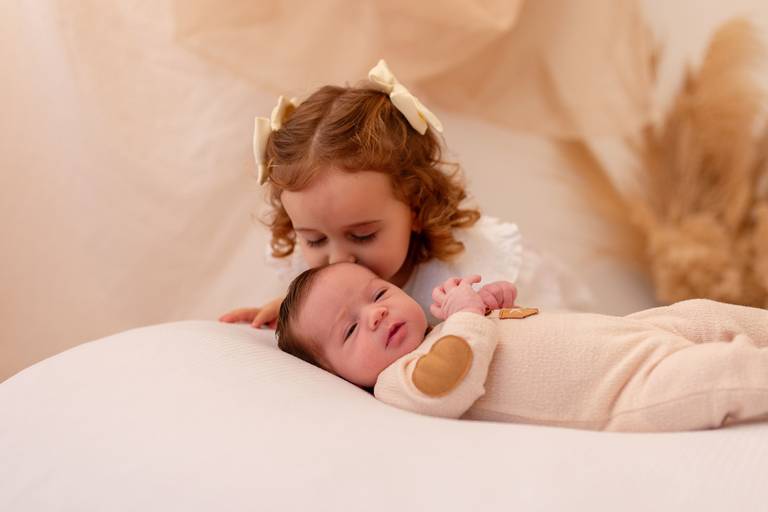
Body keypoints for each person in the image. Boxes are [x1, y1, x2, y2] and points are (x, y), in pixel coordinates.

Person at [219, 60, 591, 329]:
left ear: (416, 207)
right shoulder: (313, 270)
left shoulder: (470, 270)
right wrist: (293, 318)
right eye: (314, 240)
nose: (338, 259)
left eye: (362, 235)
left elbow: (543, 343)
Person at [276, 262, 768, 432]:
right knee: (719, 374)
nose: (376, 314)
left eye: (379, 293)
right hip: (621, 391)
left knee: (702, 313)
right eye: (349, 330)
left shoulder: (441, 330)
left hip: (626, 334)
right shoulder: (398, 383)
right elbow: (449, 381)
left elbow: (507, 339)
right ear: (336, 375)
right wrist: (468, 316)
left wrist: (495, 305)